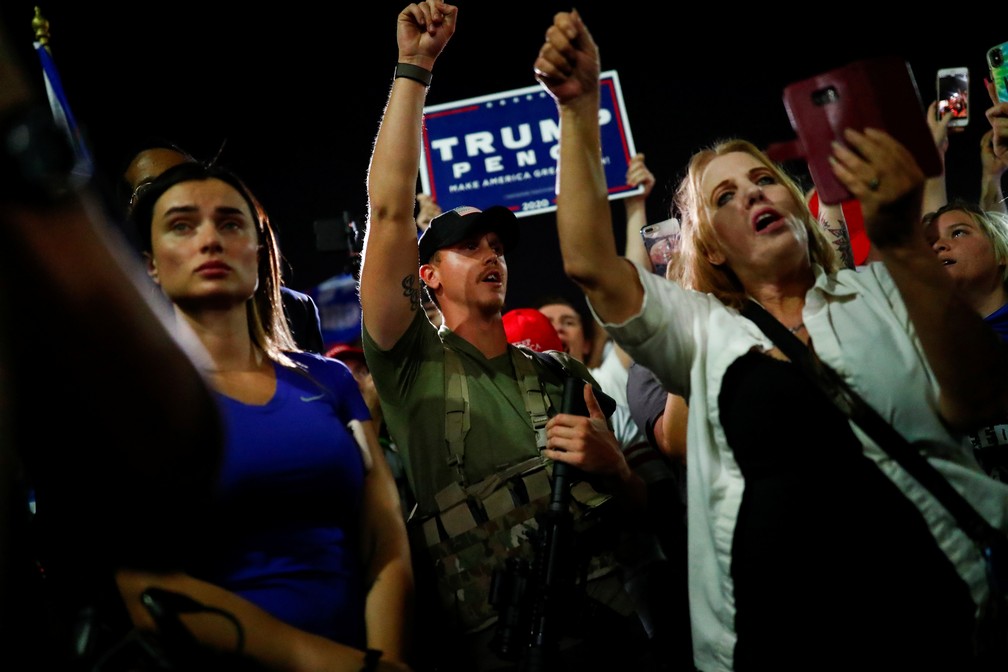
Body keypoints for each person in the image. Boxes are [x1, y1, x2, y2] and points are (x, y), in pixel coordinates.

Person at [535, 9, 1008, 671]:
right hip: (776, 640)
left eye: (763, 179)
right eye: (724, 195)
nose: (752, 194)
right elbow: (589, 261)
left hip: (937, 620)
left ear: (791, 200)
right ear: (714, 249)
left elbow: (981, 399)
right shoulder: (700, 328)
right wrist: (580, 108)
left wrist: (904, 245)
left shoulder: (880, 290)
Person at [359, 3, 656, 670]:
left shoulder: (563, 378)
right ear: (427, 274)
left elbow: (643, 513)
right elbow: (387, 205)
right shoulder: (410, 366)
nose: (492, 254)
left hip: (611, 639)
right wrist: (414, 69)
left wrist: (616, 472)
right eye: (469, 247)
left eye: (497, 244)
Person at [122, 160, 414, 671]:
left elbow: (385, 538)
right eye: (182, 225)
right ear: (151, 262)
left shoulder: (330, 381)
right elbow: (141, 585)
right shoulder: (133, 400)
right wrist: (341, 666)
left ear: (259, 253)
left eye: (230, 223)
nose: (209, 240)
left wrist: (385, 658)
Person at [119, 139, 327, 354]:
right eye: (152, 189)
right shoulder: (107, 317)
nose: (209, 240)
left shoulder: (295, 314)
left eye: (229, 224)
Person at [924, 199, 1008, 479]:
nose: (938, 246)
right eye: (931, 242)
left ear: (1001, 253)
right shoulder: (924, 347)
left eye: (958, 232)